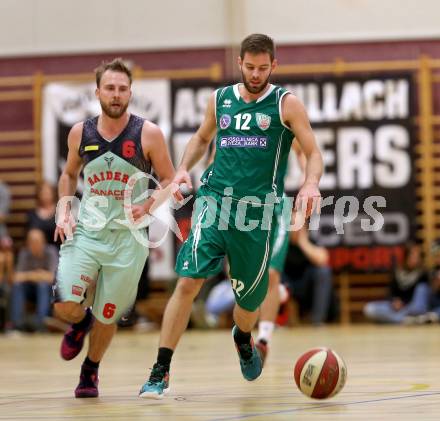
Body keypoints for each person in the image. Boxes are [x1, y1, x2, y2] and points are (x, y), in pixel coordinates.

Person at [139, 33, 323, 399]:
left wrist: (310, 183)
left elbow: (313, 152)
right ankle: (160, 370)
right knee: (188, 282)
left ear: (274, 65)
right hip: (213, 203)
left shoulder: (286, 104)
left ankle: (242, 336)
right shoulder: (220, 99)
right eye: (250, 67)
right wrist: (181, 169)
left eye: (263, 68)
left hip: (256, 216)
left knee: (247, 306)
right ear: (239, 63)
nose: (256, 74)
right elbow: (202, 138)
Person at [53, 58, 178, 398]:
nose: (116, 94)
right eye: (110, 88)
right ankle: (80, 322)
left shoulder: (147, 133)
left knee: (108, 314)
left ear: (130, 93)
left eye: (122, 89)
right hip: (89, 231)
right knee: (64, 303)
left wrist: (150, 204)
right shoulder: (81, 131)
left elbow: (170, 179)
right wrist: (65, 207)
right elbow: (68, 174)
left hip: (129, 238)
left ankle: (90, 370)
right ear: (98, 92)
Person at [363, 242, 429, 324]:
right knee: (369, 309)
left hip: (411, 308)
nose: (415, 258)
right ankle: (402, 320)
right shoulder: (397, 272)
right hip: (396, 308)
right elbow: (390, 293)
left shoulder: (423, 274)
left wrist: (405, 304)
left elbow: (420, 303)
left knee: (422, 289)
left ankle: (398, 319)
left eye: (417, 256)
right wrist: (394, 302)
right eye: (412, 255)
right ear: (406, 256)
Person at [282, 224, 334, 325]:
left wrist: (303, 243)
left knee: (323, 272)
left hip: (307, 286)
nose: (294, 229)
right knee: (272, 274)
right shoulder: (280, 242)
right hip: (286, 284)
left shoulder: (312, 240)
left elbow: (323, 259)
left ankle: (317, 320)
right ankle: (277, 321)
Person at [9, 229, 58, 332]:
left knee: (43, 285)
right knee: (17, 286)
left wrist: (29, 275)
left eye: (37, 242)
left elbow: (52, 277)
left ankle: (40, 324)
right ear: (28, 243)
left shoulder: (51, 251)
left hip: (48, 290)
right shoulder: (24, 253)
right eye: (32, 242)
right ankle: (16, 325)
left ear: (44, 242)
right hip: (29, 288)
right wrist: (38, 274)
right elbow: (16, 277)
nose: (35, 245)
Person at [27, 181, 59, 247]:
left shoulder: (62, 212)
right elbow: (28, 235)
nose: (45, 196)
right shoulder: (32, 214)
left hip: (59, 250)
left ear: (53, 193)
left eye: (48, 193)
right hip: (38, 251)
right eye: (43, 193)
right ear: (38, 195)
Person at [0, 181, 13, 284]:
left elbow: (2, 216)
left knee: (6, 258)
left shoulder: (3, 190)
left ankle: (6, 292)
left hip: (2, 235)